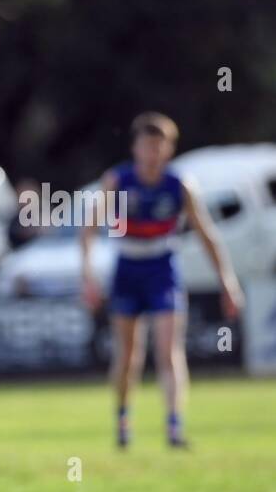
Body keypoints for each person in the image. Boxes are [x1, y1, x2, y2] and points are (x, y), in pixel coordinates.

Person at [80, 112, 243, 448]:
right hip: (127, 269)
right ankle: (123, 420)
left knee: (169, 351)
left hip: (163, 270)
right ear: (136, 148)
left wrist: (227, 281)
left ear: (168, 150)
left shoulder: (180, 185)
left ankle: (174, 428)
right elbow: (88, 231)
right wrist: (88, 277)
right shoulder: (117, 181)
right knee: (128, 356)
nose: (152, 154)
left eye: (159, 147)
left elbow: (206, 234)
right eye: (146, 146)